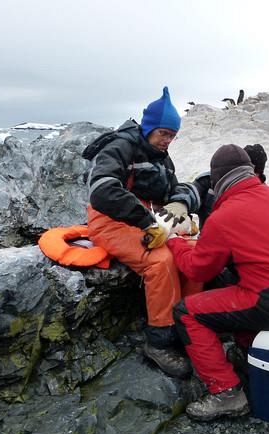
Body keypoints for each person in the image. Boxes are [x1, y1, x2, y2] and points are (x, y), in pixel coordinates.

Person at [167, 144, 269, 421]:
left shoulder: (224, 216)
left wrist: (175, 242)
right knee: (239, 288)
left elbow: (198, 270)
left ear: (218, 182)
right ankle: (248, 355)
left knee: (187, 312)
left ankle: (227, 392)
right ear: (250, 172)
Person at [82, 86, 202, 379]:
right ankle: (159, 342)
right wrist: (146, 220)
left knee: (195, 255)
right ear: (149, 127)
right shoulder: (119, 148)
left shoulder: (163, 157)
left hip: (152, 220)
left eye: (172, 135)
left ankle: (190, 325)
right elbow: (102, 191)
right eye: (163, 133)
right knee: (161, 262)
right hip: (112, 221)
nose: (168, 140)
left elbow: (179, 187)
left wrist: (179, 203)